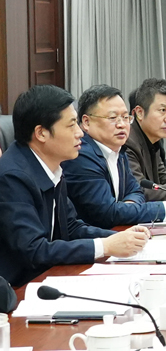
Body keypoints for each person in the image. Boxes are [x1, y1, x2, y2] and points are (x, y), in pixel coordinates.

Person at [0, 85, 150, 287]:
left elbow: (71, 227)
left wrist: (121, 238)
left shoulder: (52, 166)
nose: (80, 133)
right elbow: (34, 250)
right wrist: (105, 246)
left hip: (48, 278)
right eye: (71, 125)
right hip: (19, 290)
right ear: (41, 133)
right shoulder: (12, 177)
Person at [63, 85, 166, 229]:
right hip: (93, 238)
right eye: (112, 118)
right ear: (86, 122)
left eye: (125, 117)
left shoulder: (118, 150)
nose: (121, 125)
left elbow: (136, 191)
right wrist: (165, 210)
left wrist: (128, 208)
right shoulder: (81, 156)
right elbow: (107, 213)